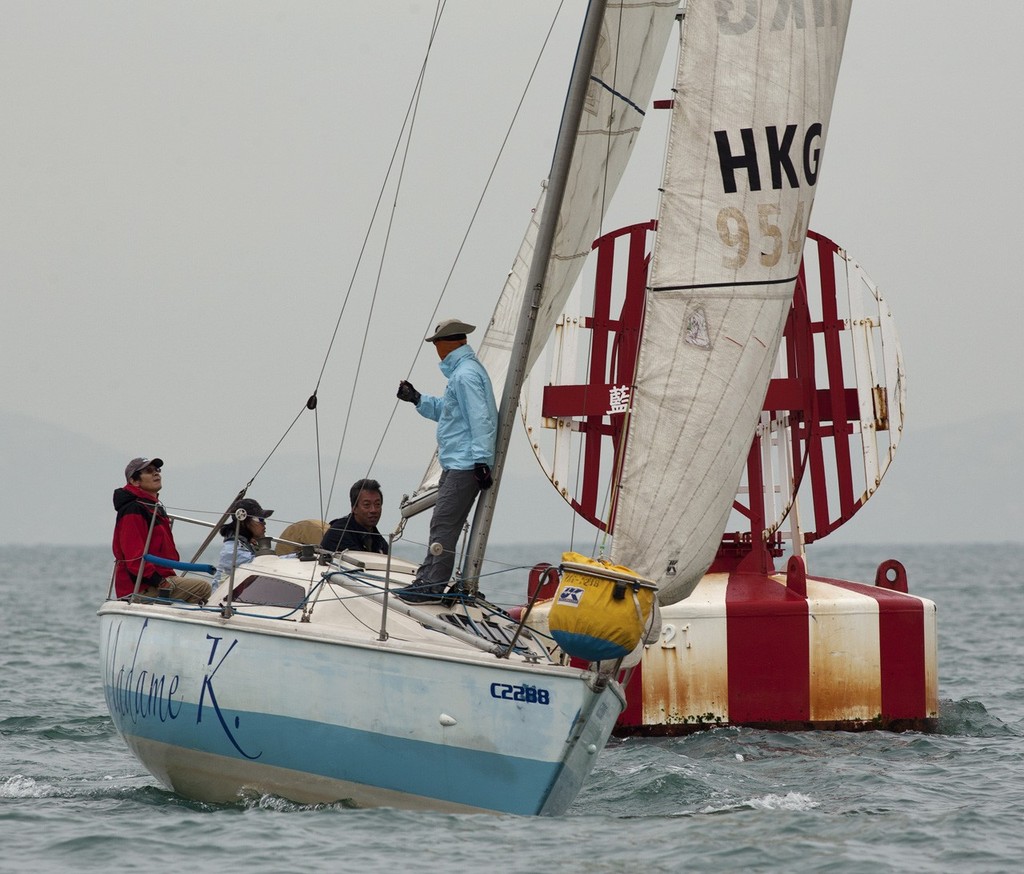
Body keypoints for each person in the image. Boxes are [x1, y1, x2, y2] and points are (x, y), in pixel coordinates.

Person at [395, 318, 497, 603]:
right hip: (459, 463)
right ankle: (428, 579)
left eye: (436, 344)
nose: (435, 349)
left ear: (447, 344)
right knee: (443, 523)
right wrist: (417, 399)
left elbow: (481, 419)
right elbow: (450, 412)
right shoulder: (463, 373)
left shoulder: (465, 376)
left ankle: (430, 586)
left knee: (443, 523)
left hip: (465, 464)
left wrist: (481, 461)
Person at [111, 457, 212, 603]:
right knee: (202, 588)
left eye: (157, 470)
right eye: (149, 471)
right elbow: (134, 558)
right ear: (134, 481)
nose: (156, 474)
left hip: (158, 580)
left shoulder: (152, 507)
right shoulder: (134, 510)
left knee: (201, 598)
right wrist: (159, 581)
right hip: (141, 588)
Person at [213, 497, 274, 584]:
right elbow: (262, 563)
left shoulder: (246, 544)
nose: (264, 523)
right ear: (243, 520)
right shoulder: (231, 551)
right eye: (260, 519)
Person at [320, 478, 389, 554]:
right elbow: (362, 562)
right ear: (354, 508)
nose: (373, 510)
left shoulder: (380, 542)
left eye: (377, 504)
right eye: (367, 505)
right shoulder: (339, 533)